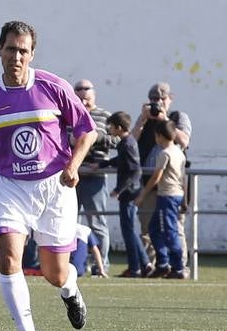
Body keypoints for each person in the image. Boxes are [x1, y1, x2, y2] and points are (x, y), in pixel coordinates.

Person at [0, 20, 96, 331]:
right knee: (8, 257)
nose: (16, 56)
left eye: (23, 50)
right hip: (10, 188)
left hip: (55, 187)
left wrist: (74, 165)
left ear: (32, 53)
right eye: (10, 49)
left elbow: (86, 131)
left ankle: (70, 290)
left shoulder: (54, 87)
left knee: (55, 273)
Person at [131, 81, 192, 269]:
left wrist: (165, 120)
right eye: (153, 99)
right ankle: (153, 265)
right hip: (148, 182)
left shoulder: (178, 117)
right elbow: (130, 142)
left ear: (170, 99)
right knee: (147, 228)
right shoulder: (146, 120)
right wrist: (142, 119)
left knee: (174, 227)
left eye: (161, 98)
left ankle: (179, 266)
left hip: (172, 185)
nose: (157, 103)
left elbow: (184, 141)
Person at [135, 120, 187, 279]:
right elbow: (183, 177)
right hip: (174, 194)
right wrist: (184, 199)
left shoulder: (164, 153)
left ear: (159, 136)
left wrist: (142, 194)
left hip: (168, 196)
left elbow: (156, 177)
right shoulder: (179, 151)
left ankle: (178, 267)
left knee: (170, 232)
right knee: (154, 229)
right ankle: (163, 264)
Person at [73, 79, 115, 269]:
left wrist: (96, 137)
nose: (83, 95)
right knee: (69, 221)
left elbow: (117, 140)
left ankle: (101, 265)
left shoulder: (105, 116)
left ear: (94, 94)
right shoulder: (69, 114)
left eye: (86, 91)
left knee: (97, 222)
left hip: (95, 176)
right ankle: (73, 262)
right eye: (79, 91)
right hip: (72, 175)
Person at [103, 110, 149, 278]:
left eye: (112, 127)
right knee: (129, 230)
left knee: (128, 230)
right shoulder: (125, 143)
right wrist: (102, 164)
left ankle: (135, 267)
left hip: (129, 194)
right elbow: (121, 161)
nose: (110, 130)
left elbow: (135, 171)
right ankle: (145, 264)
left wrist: (119, 190)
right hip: (129, 192)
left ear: (119, 128)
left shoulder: (128, 143)